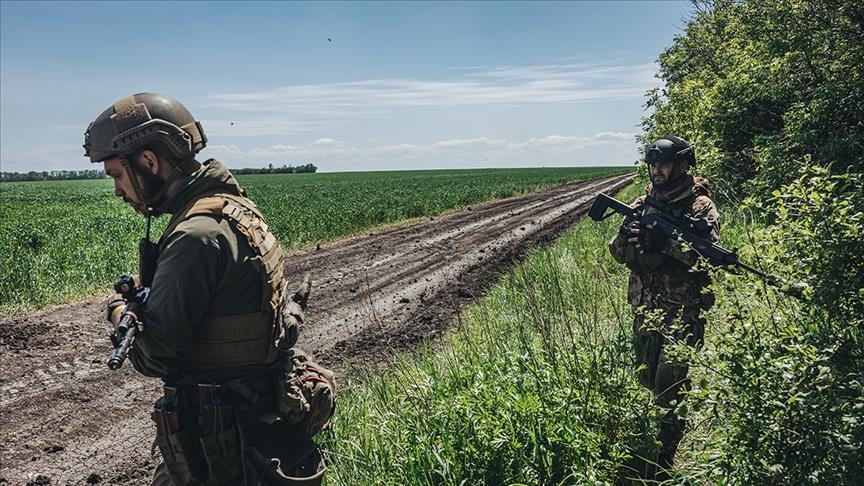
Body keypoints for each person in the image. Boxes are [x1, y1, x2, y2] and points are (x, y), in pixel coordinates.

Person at [84, 93, 335, 485]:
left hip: (220, 448)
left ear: (148, 162)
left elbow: (155, 357)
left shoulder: (196, 235)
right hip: (260, 423)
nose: (118, 191)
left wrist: (118, 309)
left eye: (117, 174)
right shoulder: (232, 207)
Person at [608, 136, 720, 477]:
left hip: (681, 310)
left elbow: (710, 257)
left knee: (669, 383)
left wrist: (667, 243)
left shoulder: (699, 207)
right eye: (654, 164)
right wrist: (626, 237)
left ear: (682, 166)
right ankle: (659, 440)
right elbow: (615, 253)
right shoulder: (644, 202)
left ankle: (664, 460)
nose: (658, 170)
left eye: (665, 164)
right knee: (646, 376)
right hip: (645, 307)